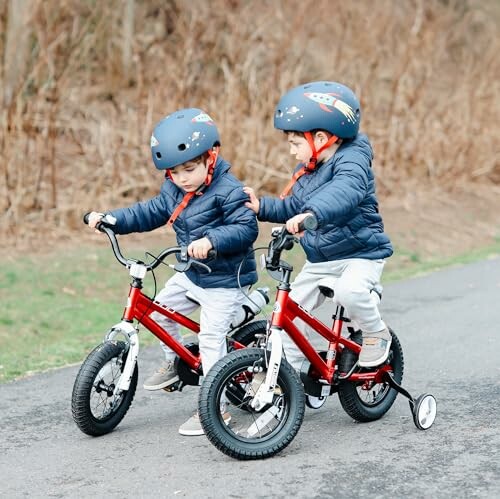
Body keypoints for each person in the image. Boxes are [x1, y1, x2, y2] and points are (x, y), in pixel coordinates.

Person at [88, 108, 258, 436]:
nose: (181, 178)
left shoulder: (228, 190)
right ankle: (174, 362)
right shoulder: (174, 189)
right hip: (193, 272)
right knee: (161, 311)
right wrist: (113, 219)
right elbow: (150, 211)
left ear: (212, 157)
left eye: (189, 169)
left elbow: (246, 228)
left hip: (225, 279)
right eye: (174, 172)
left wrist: (212, 240)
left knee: (210, 340)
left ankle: (215, 408)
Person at [244, 81, 393, 371]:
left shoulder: (353, 161)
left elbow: (344, 193)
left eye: (295, 144)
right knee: (286, 314)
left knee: (349, 292)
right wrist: (261, 207)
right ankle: (295, 376)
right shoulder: (308, 170)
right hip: (320, 260)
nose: (291, 152)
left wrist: (312, 213)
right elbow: (294, 208)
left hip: (360, 254)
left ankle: (376, 332)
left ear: (322, 137)